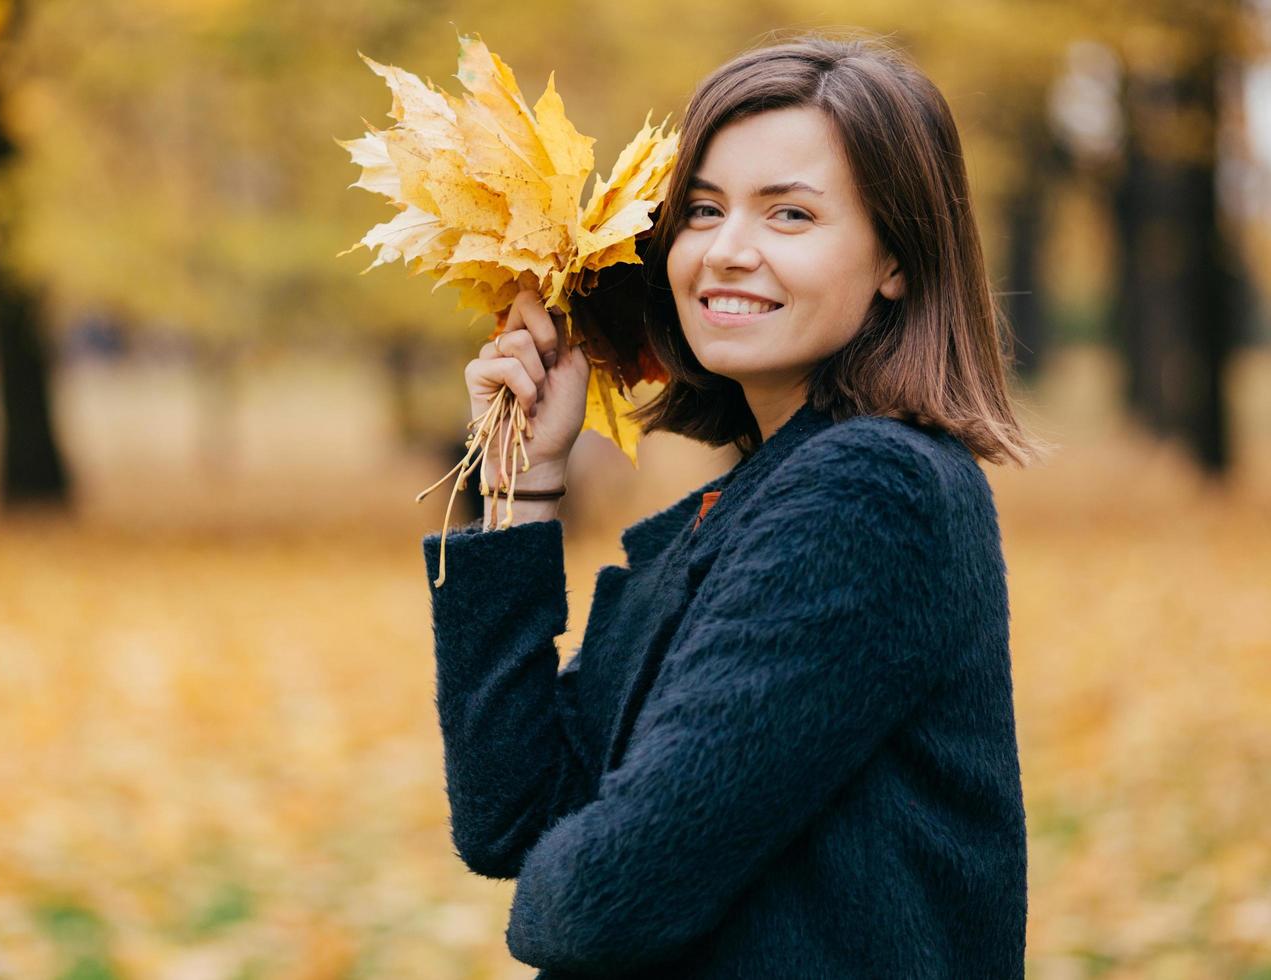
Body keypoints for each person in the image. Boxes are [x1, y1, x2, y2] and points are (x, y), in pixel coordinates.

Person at [421, 33, 1053, 979]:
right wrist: (523, 481)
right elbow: (509, 817)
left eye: (789, 214)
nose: (725, 252)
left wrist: (577, 874)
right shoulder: (741, 505)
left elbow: (599, 903)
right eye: (703, 210)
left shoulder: (872, 493)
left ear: (896, 259)